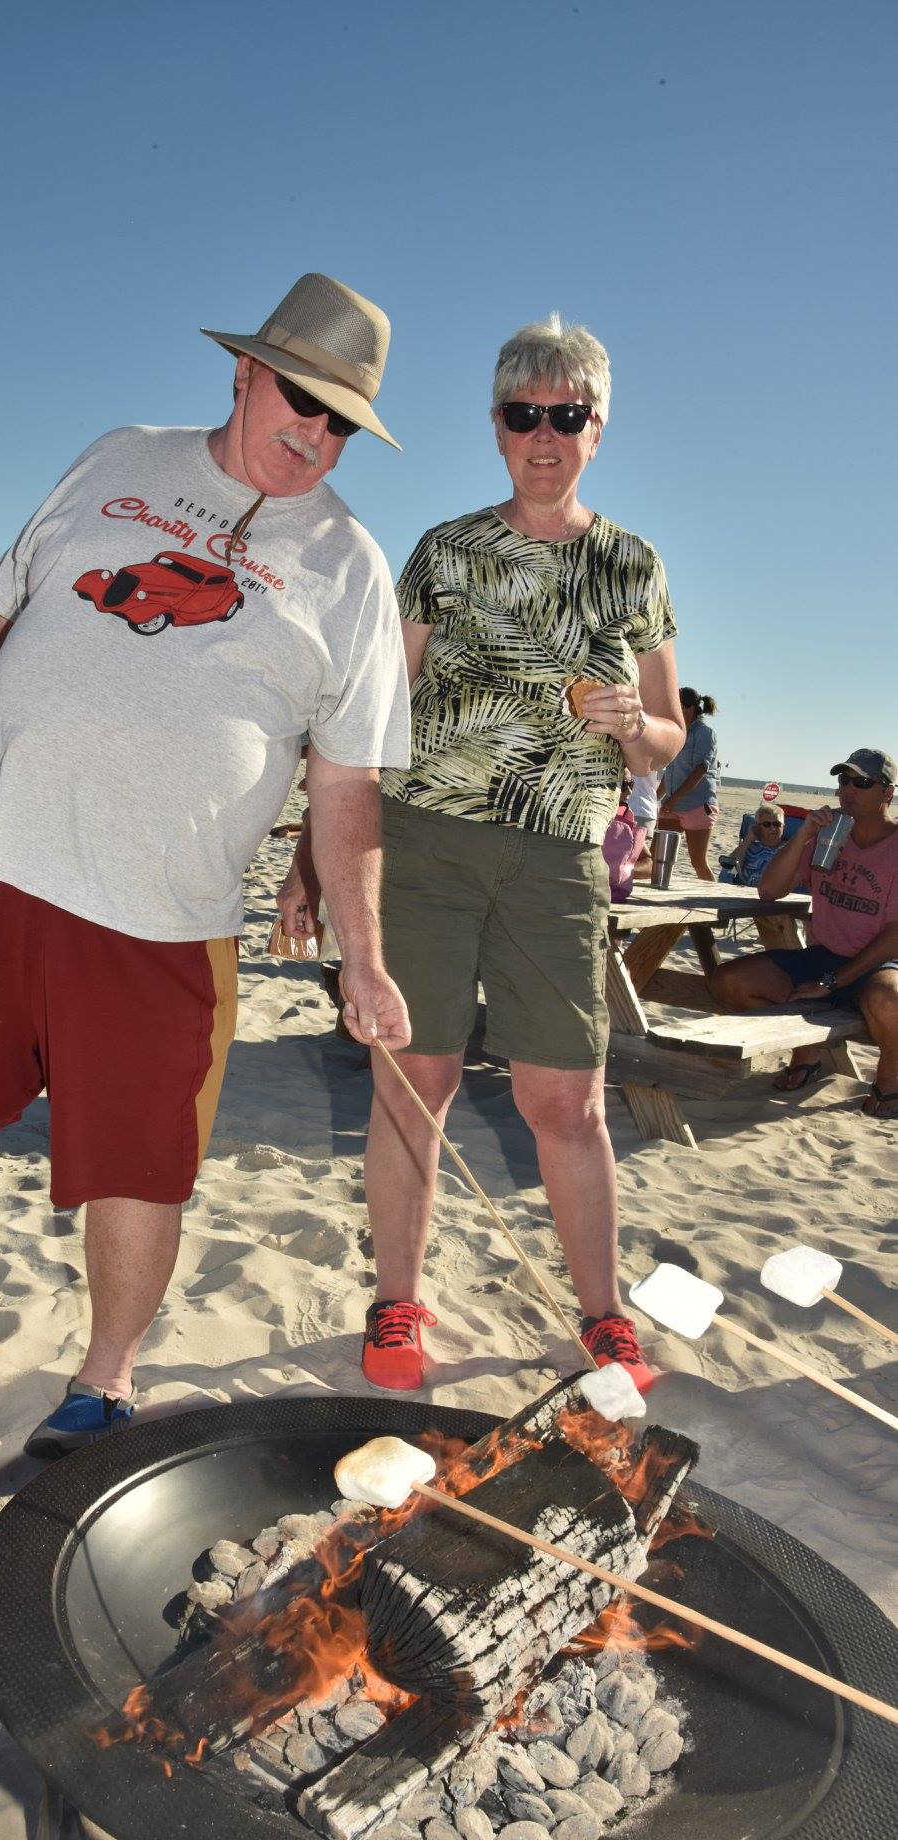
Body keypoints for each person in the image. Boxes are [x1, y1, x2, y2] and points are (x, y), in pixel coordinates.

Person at [0, 272, 413, 1455]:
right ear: (244, 373)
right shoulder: (118, 458)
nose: (313, 434)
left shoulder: (350, 566)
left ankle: (105, 1376)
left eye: (339, 422)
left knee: (137, 1166)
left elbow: (346, 782)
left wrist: (365, 956)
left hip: (163, 917)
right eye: (299, 399)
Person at [279, 313, 685, 1392]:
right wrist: (313, 858)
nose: (543, 435)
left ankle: (602, 1318)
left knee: (569, 1101)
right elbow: (378, 710)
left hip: (557, 856)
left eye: (566, 415)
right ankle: (399, 1303)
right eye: (523, 415)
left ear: (597, 427)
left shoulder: (631, 564)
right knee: (418, 1081)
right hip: (424, 843)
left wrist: (630, 730)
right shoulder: (447, 552)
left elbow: (668, 730)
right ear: (496, 426)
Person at [710, 749, 898, 1116]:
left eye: (861, 782)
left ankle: (890, 1084)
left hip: (881, 962)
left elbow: (894, 934)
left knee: (888, 1004)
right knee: (726, 982)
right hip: (823, 955)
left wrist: (831, 982)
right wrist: (803, 836)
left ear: (888, 793)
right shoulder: (828, 837)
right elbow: (769, 891)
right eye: (843, 780)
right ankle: (808, 1051)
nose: (848, 790)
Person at [657, 688, 719, 878]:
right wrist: (656, 798)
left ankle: (712, 900)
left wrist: (672, 800)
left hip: (697, 805)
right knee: (660, 857)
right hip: (672, 805)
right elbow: (671, 771)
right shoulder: (677, 732)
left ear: (690, 708)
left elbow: (699, 770)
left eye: (677, 707)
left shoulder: (705, 733)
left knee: (697, 861)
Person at [603, 772, 651, 899]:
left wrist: (623, 870)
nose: (629, 791)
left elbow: (649, 864)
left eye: (631, 784)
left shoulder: (621, 821)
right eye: (623, 785)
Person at [718, 801, 785, 886]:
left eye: (777, 824)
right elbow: (730, 871)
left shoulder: (790, 848)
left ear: (783, 826)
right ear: (757, 827)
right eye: (767, 824)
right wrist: (748, 839)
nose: (773, 828)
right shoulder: (748, 848)